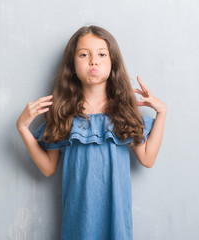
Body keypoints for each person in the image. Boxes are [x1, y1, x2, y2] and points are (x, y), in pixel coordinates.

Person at [16, 25, 167, 240]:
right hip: (79, 220)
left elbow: (148, 158)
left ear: (112, 61)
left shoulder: (124, 110)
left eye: (102, 54)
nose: (93, 61)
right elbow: (49, 168)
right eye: (84, 54)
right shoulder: (63, 112)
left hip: (117, 220)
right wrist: (23, 128)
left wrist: (162, 112)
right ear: (72, 64)